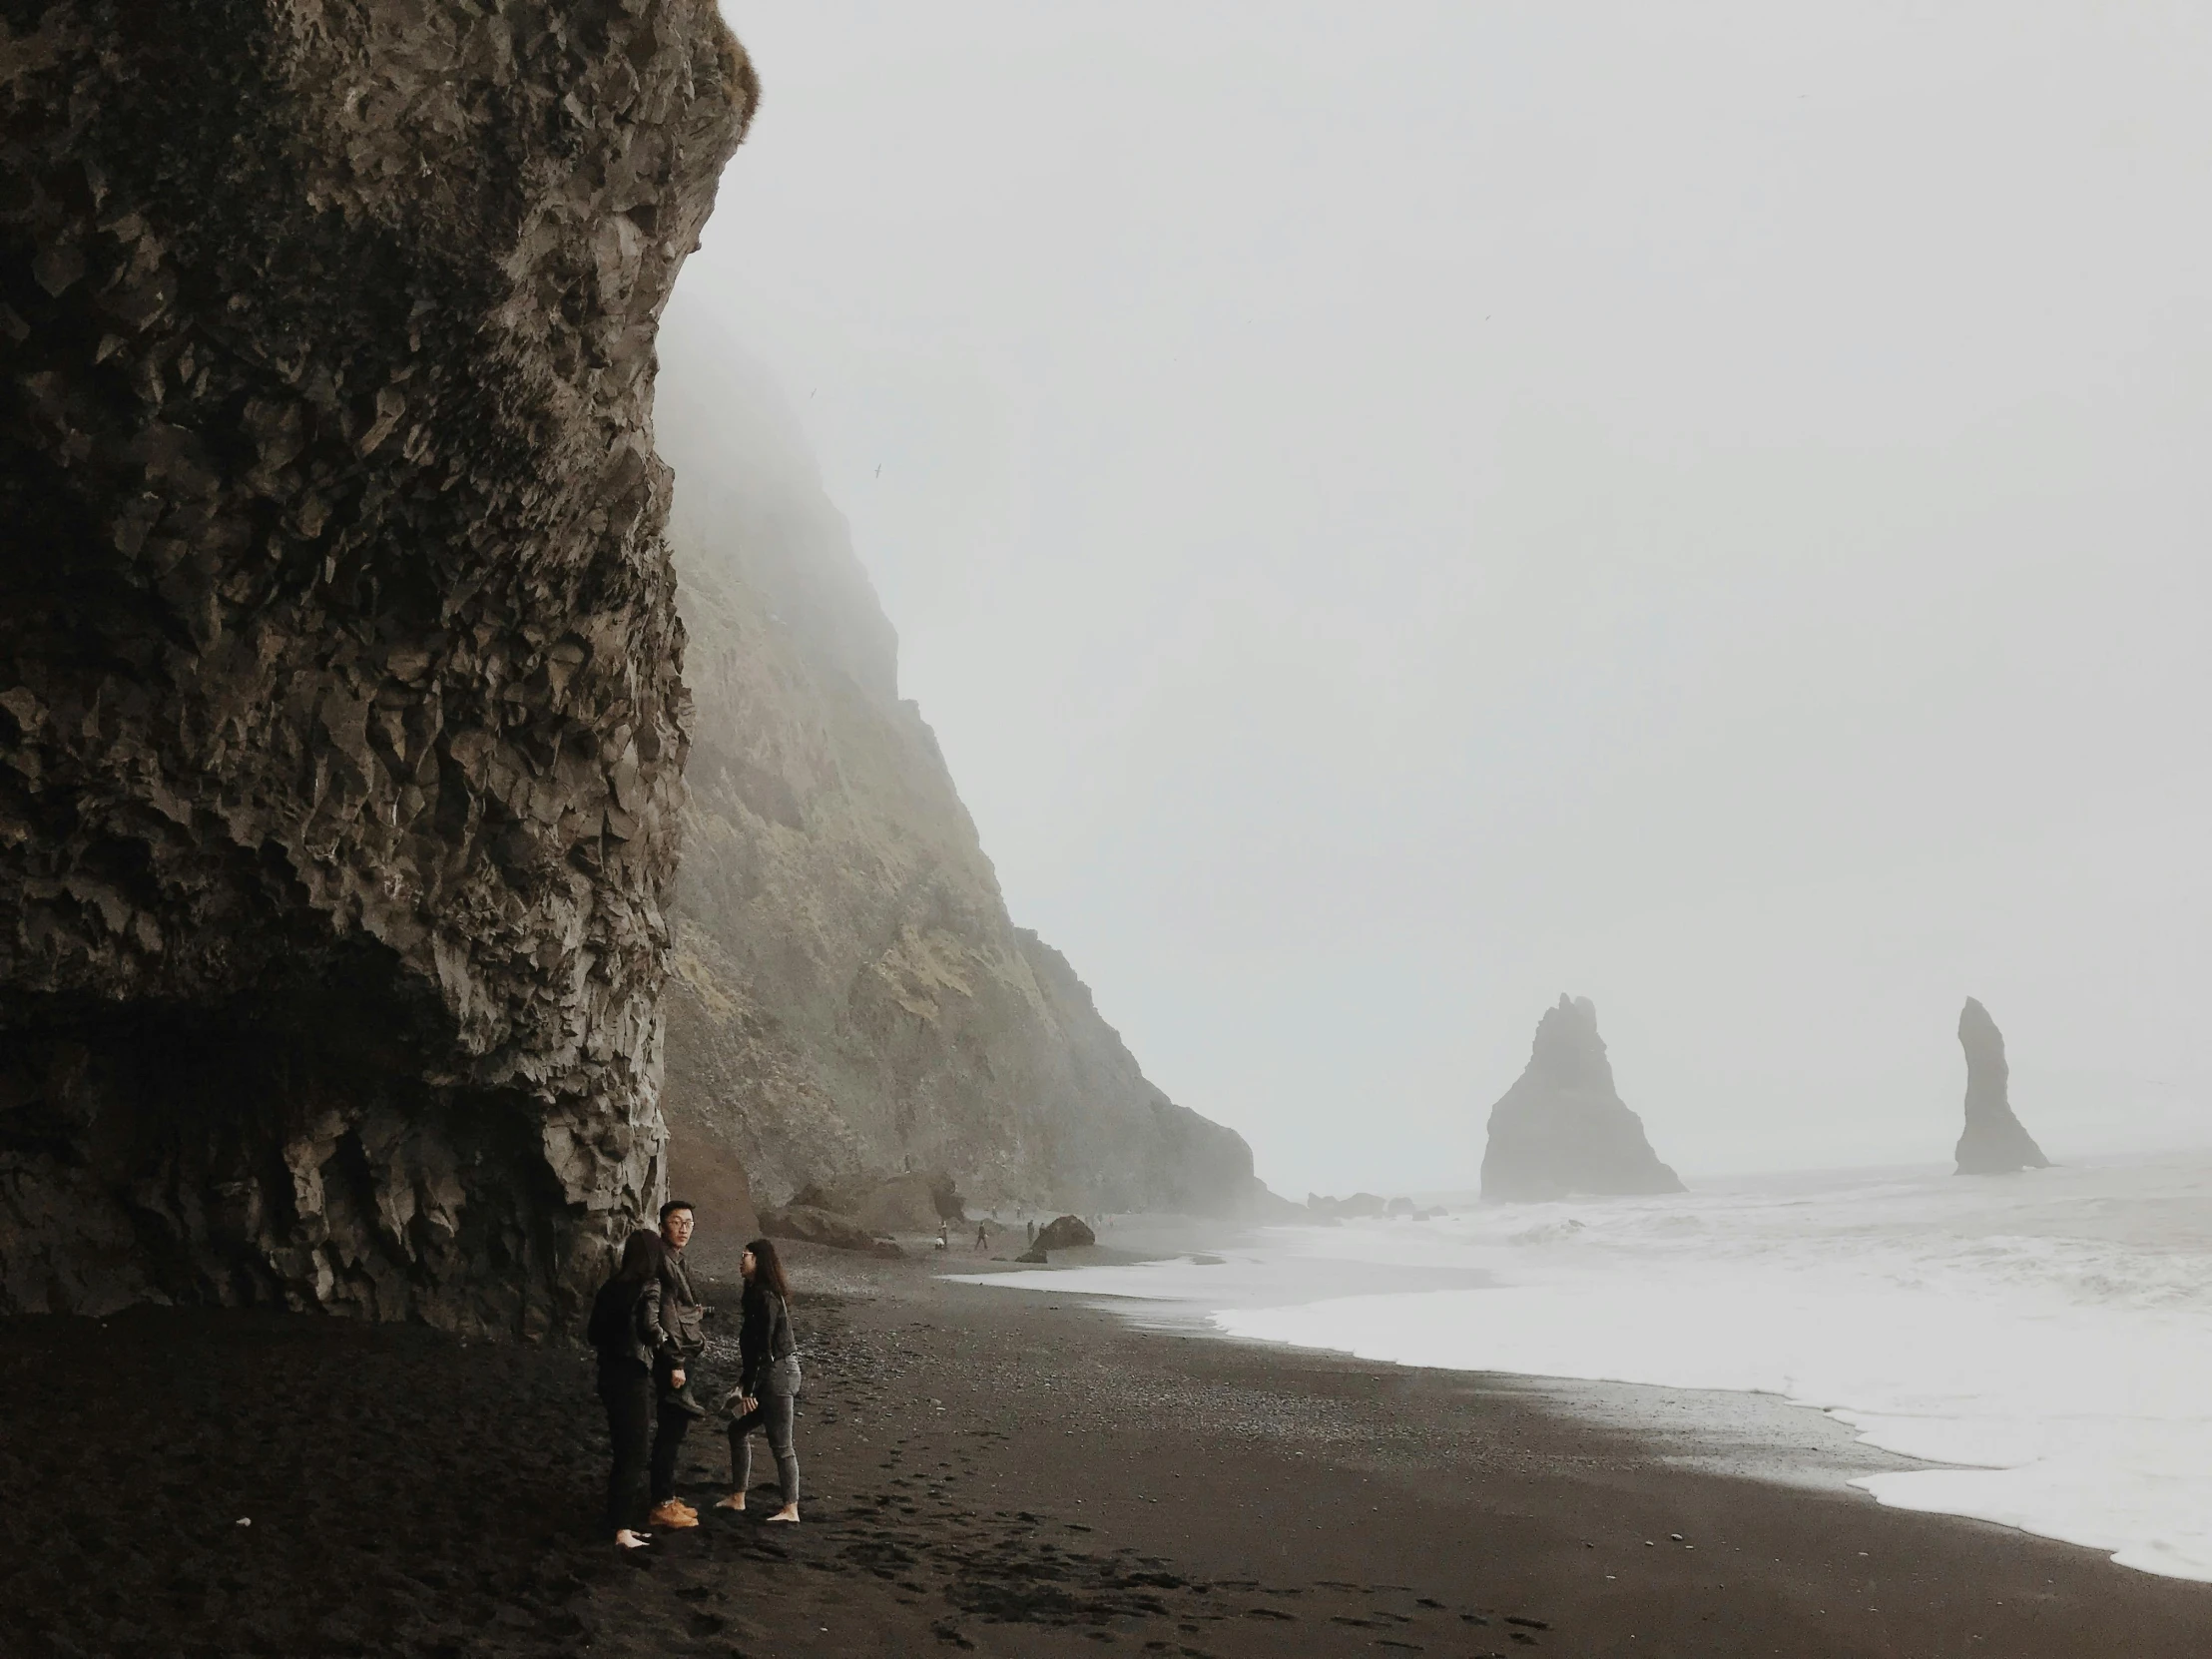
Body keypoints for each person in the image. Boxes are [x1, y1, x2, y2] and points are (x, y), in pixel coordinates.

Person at [587, 1229, 673, 1549]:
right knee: (634, 1452)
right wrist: (664, 1339)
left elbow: (592, 1334)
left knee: (623, 1450)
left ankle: (618, 1523)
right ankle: (621, 1529)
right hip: (632, 1374)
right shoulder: (649, 1285)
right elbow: (648, 1329)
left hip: (607, 1373)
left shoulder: (610, 1286)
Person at [715, 1237, 802, 1523]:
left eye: (746, 1255)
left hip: (779, 1374)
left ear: (760, 1260)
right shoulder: (755, 1294)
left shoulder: (766, 1298)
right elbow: (753, 1349)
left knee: (781, 1444)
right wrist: (743, 1383)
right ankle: (738, 1497)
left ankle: (791, 1509)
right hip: (770, 1372)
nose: (741, 1260)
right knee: (737, 1430)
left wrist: (749, 1388)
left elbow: (764, 1349)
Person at [646, 1200, 708, 1531]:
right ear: (663, 1225)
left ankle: (668, 1497)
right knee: (671, 1430)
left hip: (680, 1354)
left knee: (675, 1428)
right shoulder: (663, 1265)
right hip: (674, 1358)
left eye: (688, 1223)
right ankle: (661, 1504)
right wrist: (675, 1362)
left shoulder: (676, 1260)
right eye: (676, 1222)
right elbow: (666, 1317)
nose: (684, 1228)